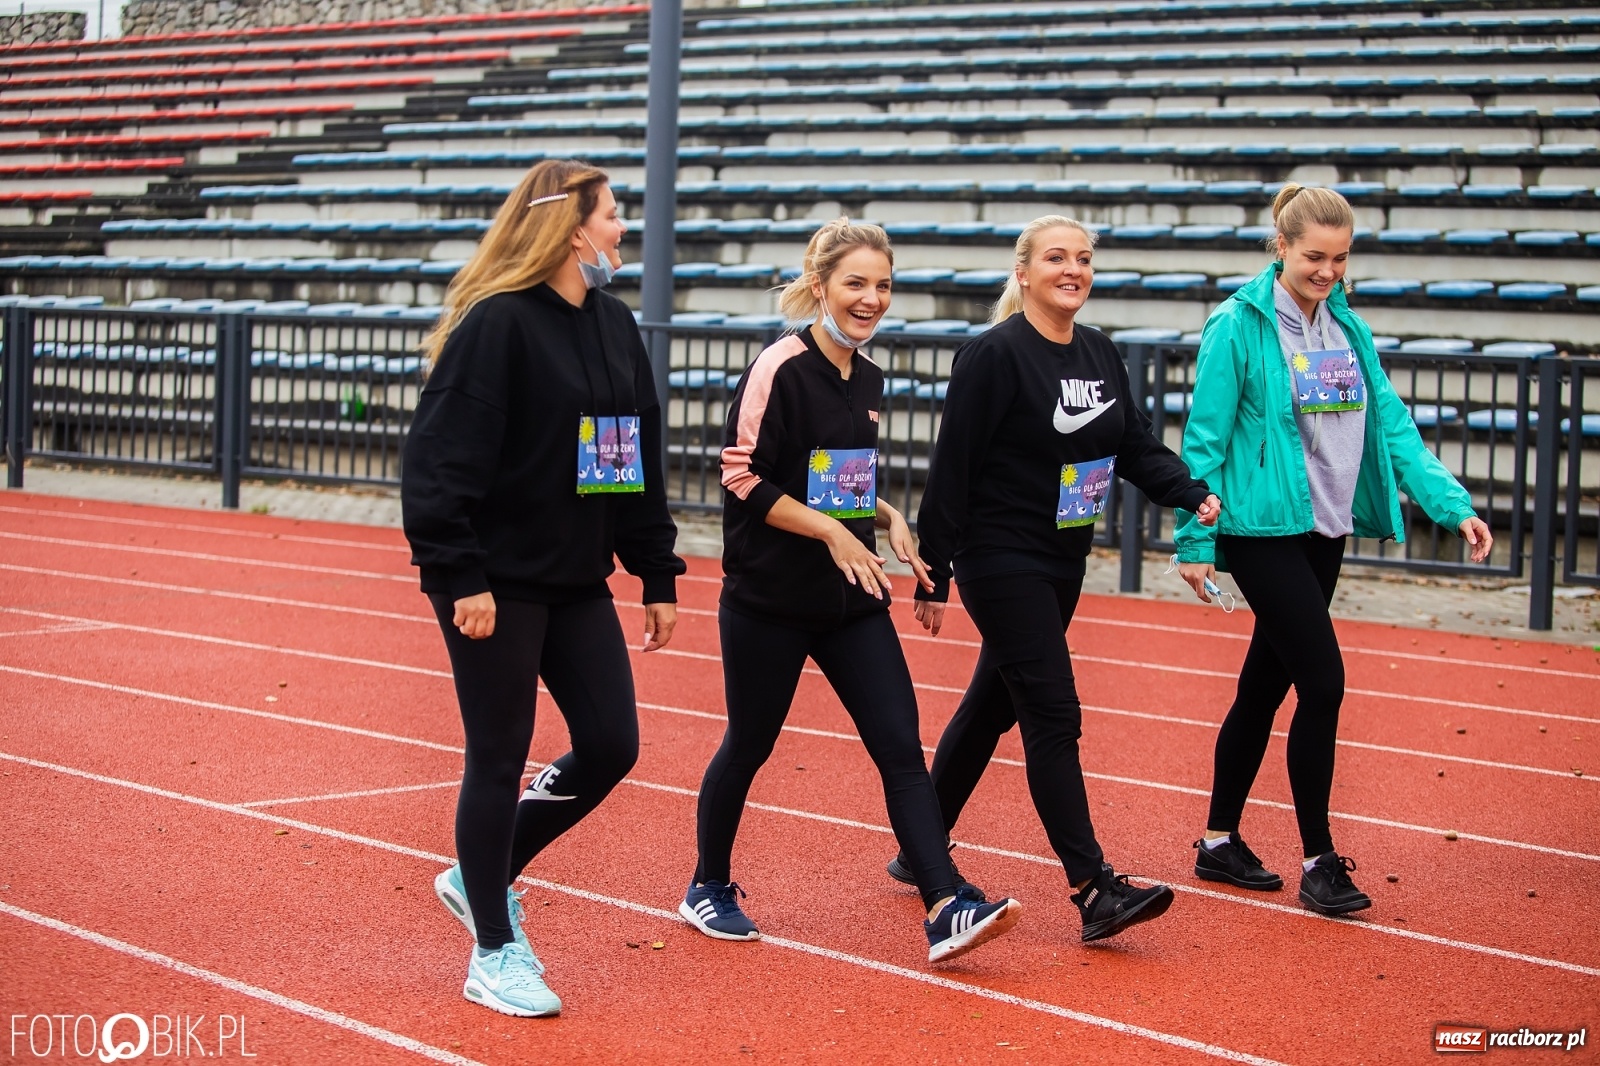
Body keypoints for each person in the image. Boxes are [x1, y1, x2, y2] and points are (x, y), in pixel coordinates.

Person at [681, 218, 1022, 965]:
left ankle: (944, 903)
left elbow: (837, 481)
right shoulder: (780, 365)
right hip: (768, 599)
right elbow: (740, 474)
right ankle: (707, 884)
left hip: (850, 600)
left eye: (883, 285)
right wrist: (834, 533)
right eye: (856, 283)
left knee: (901, 748)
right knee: (750, 746)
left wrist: (885, 516)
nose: (872, 299)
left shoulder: (867, 375)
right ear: (819, 285)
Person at [402, 159, 685, 1016]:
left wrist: (655, 570)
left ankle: (478, 874)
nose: (621, 231)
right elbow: (437, 464)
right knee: (496, 759)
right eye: (612, 217)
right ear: (571, 231)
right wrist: (460, 575)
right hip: (494, 584)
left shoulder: (613, 325)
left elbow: (633, 460)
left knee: (611, 745)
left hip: (575, 581)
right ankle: (493, 949)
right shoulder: (498, 326)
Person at [901, 215, 1221, 943]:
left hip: (1062, 559)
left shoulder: (1101, 353)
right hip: (1000, 556)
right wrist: (935, 568)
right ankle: (1092, 888)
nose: (1072, 269)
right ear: (1024, 272)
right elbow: (954, 466)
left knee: (992, 706)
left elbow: (1133, 444)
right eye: (1055, 258)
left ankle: (919, 845)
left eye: (1083, 259)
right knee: (1053, 713)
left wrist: (1187, 489)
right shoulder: (992, 356)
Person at [1174, 183, 1492, 916]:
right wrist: (1195, 536)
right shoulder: (1236, 325)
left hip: (1327, 527)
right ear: (1280, 247)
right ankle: (1319, 860)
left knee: (1265, 684)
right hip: (1260, 529)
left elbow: (1391, 426)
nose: (1328, 271)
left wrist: (1452, 505)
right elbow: (1206, 439)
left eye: (1341, 259)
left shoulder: (1347, 328)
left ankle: (1219, 841)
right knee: (1323, 682)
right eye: (1314, 256)